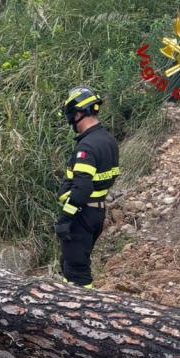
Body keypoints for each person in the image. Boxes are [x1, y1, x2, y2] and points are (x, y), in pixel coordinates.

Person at [54, 86, 120, 288]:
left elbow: (82, 189)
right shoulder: (107, 140)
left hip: (81, 215)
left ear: (79, 112)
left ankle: (82, 311)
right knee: (71, 265)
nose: (70, 119)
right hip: (95, 213)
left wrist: (66, 218)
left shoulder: (87, 147)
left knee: (77, 272)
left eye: (71, 114)